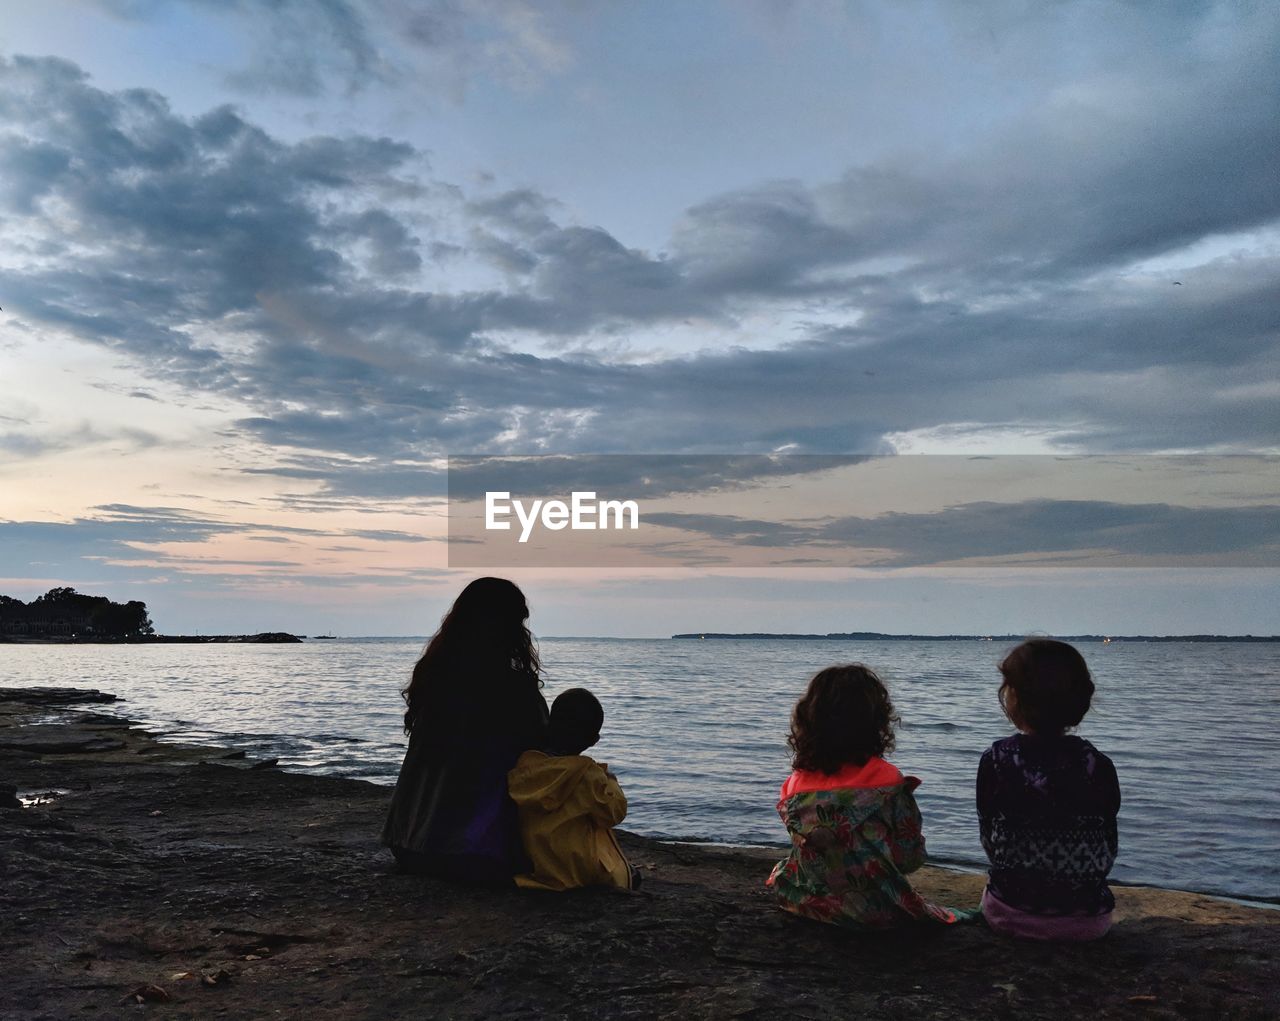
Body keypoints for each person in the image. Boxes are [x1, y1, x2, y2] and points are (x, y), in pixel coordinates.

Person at [767, 664, 965, 928]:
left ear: (808, 721)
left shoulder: (793, 785)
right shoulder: (888, 781)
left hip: (808, 902)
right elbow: (909, 860)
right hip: (875, 910)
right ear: (877, 722)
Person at [381, 577, 548, 885]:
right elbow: (544, 750)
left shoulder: (433, 676)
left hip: (408, 846)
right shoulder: (514, 688)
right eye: (518, 623)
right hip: (472, 858)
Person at [977, 638, 1120, 940]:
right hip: (1089, 922)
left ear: (1015, 698)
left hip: (1010, 914)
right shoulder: (1099, 765)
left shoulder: (997, 759)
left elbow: (990, 842)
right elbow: (1108, 849)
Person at [507, 687, 637, 891]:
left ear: (549, 724)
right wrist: (610, 782)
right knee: (627, 876)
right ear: (593, 741)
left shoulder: (526, 766)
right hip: (578, 870)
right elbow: (613, 813)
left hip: (536, 866)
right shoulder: (586, 775)